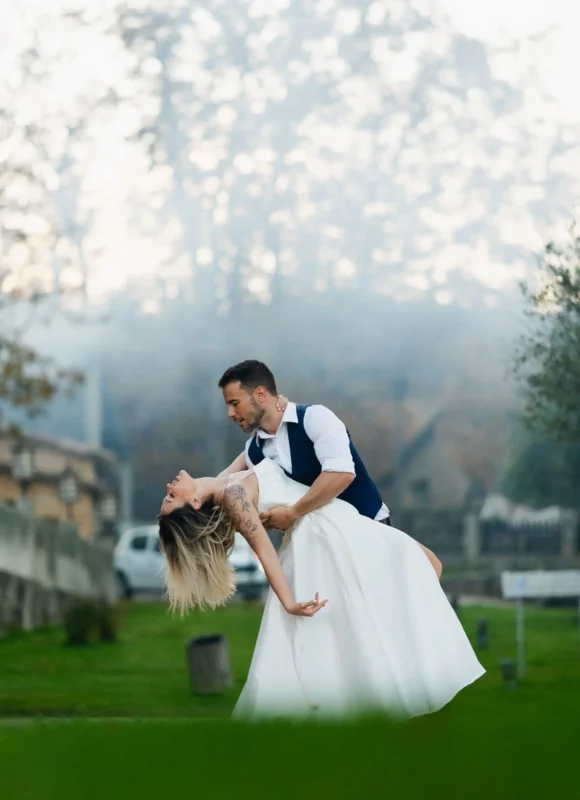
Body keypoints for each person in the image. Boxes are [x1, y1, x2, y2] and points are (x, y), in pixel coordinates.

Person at [158, 462, 485, 719]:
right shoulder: (233, 497)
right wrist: (288, 602)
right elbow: (263, 549)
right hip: (326, 535)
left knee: (424, 568)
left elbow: (251, 449)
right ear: (196, 502)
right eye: (172, 497)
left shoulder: (226, 481)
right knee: (422, 567)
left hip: (337, 520)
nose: (169, 487)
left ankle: (403, 672)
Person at [216, 359, 442, 577]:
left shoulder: (315, 418)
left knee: (413, 587)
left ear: (261, 394)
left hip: (368, 530)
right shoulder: (254, 452)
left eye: (235, 403)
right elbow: (219, 485)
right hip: (318, 548)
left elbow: (341, 474)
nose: (230, 414)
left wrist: (293, 513)